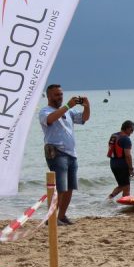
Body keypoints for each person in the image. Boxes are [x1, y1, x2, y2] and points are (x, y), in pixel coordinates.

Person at [39, 84, 91, 225]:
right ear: (49, 96)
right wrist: (68, 106)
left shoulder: (68, 111)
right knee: (60, 188)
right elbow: (50, 119)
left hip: (71, 153)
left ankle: (61, 216)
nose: (60, 97)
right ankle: (51, 219)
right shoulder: (45, 111)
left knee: (69, 188)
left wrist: (86, 106)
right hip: (56, 153)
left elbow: (84, 119)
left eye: (61, 94)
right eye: (56, 95)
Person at [107, 120, 134, 199]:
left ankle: (108, 199)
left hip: (113, 163)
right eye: (131, 130)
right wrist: (131, 168)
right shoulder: (126, 139)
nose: (132, 132)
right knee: (126, 187)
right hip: (122, 165)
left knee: (122, 185)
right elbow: (128, 155)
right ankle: (126, 206)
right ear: (126, 128)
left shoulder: (114, 135)